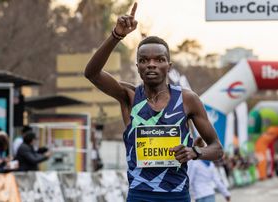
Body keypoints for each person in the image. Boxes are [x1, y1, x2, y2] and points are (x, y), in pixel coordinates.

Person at [84, 3, 223, 201]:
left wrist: (194, 151)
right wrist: (117, 35)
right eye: (144, 60)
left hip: (177, 196)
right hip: (139, 195)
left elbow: (217, 149)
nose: (151, 64)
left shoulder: (187, 99)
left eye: (159, 59)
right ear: (138, 66)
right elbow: (92, 73)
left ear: (169, 65)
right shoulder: (129, 96)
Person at [188, 137, 230, 202]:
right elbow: (217, 181)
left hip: (199, 195)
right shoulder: (211, 164)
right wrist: (226, 194)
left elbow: (189, 180)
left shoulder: (194, 163)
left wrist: (189, 194)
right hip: (210, 194)